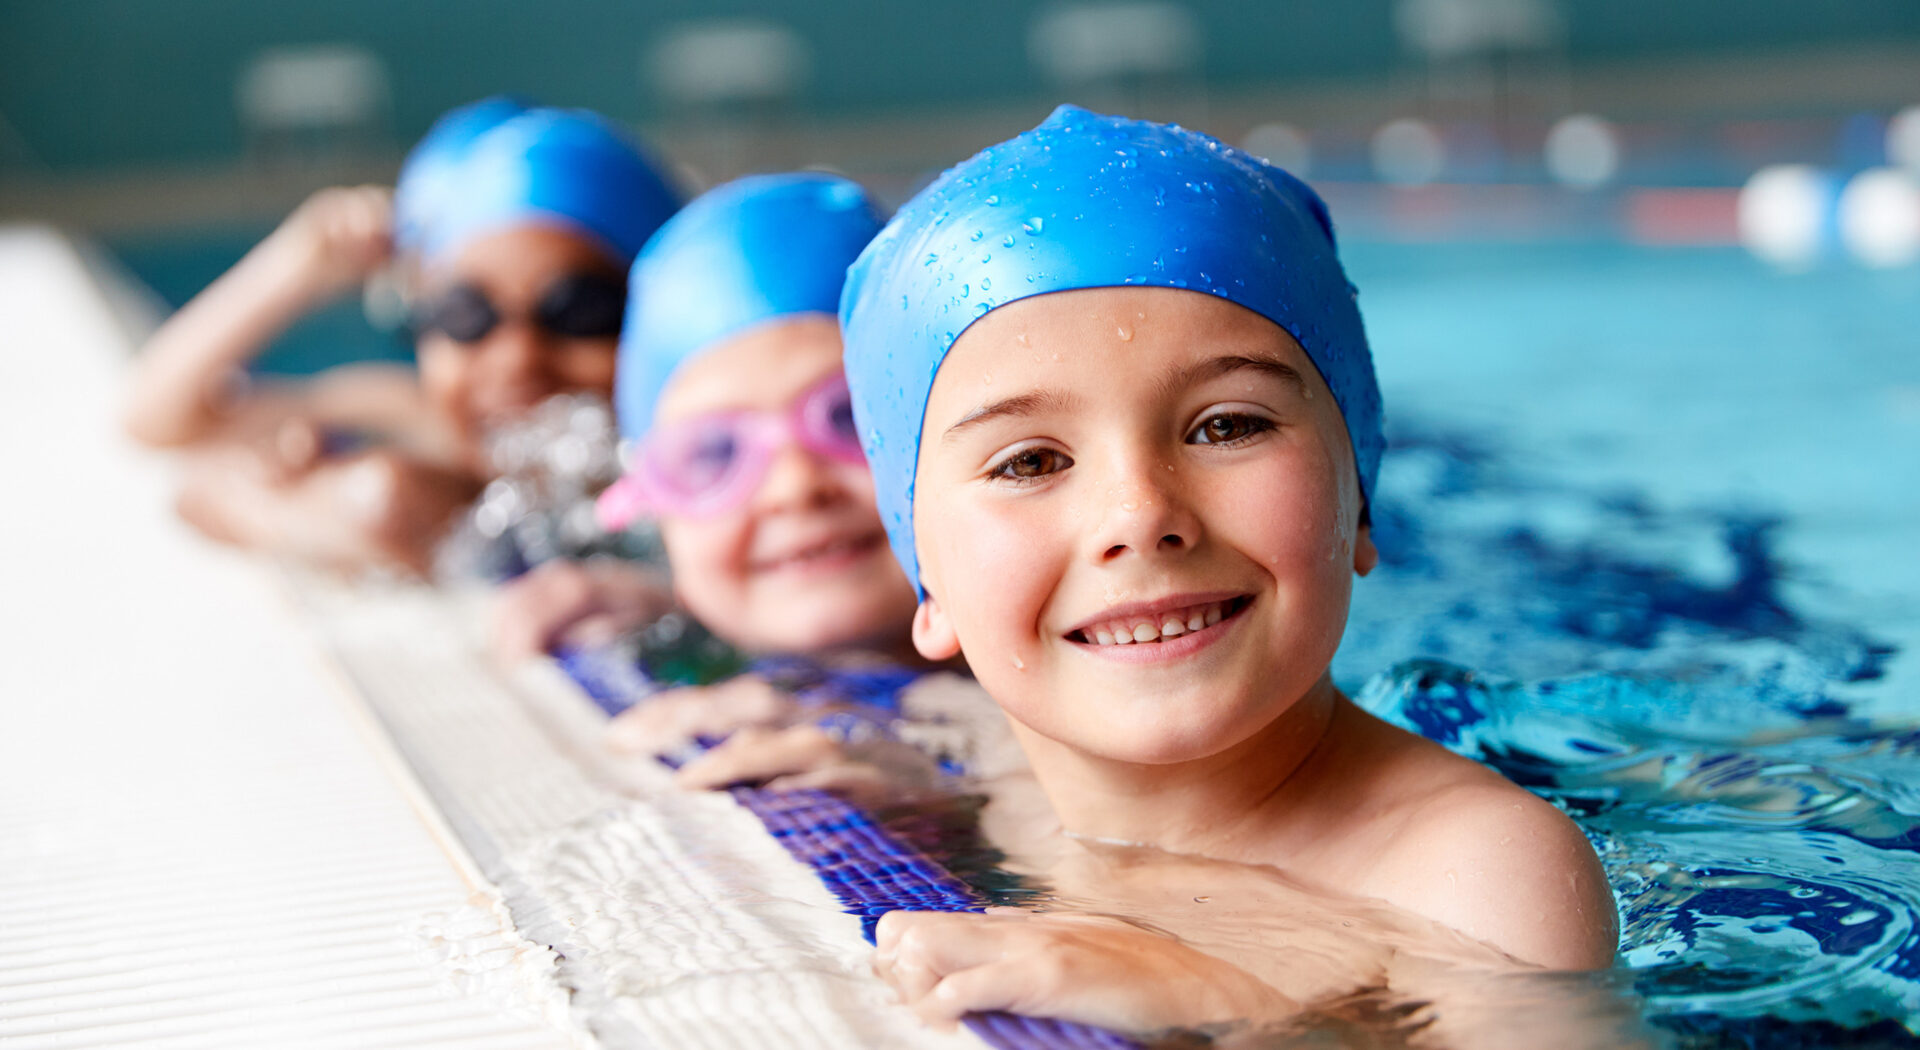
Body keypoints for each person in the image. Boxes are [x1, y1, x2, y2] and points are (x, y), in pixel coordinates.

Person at [837, 106, 1619, 1034]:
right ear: (927, 583)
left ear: (1359, 504)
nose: (1140, 515)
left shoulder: (1482, 878)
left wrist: (1238, 1007)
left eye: (1227, 426)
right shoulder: (991, 769)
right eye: (1031, 462)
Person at [495, 173, 974, 802]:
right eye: (713, 453)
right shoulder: (679, 645)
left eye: (851, 419)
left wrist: (952, 774)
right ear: (649, 504)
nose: (794, 487)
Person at [123, 98, 681, 574]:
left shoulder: (677, 466)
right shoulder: (412, 414)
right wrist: (300, 262)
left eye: (580, 312)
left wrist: (271, 510)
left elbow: (389, 510)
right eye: (466, 315)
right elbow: (155, 418)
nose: (517, 357)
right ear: (420, 322)